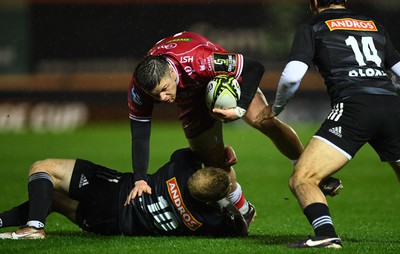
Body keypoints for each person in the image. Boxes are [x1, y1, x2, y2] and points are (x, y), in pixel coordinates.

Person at [127, 31, 342, 220]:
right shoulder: (139, 88)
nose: (163, 98)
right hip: (189, 99)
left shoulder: (200, 60)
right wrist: (139, 180)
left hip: (217, 79)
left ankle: (311, 171)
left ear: (172, 74)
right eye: (156, 95)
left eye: (165, 89)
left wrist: (239, 109)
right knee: (214, 161)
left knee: (264, 121)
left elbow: (254, 68)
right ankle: (244, 210)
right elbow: (139, 133)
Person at [270, 0, 400, 248]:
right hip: (392, 106)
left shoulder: (313, 25)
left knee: (304, 177)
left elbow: (292, 77)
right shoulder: (374, 25)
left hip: (354, 107)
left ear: (315, 2)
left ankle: (325, 234)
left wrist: (274, 109)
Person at [0, 146, 250, 239]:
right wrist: (234, 198)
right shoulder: (210, 222)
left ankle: (33, 227)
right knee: (49, 201)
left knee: (42, 169)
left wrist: (224, 159)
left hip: (112, 190)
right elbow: (242, 224)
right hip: (109, 224)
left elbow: (196, 151)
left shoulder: (180, 168)